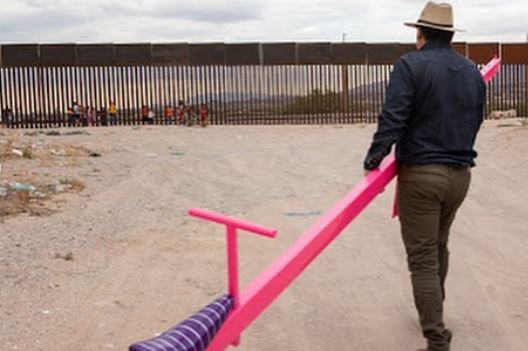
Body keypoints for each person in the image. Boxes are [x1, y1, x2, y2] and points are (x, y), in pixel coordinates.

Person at [362, 2, 486, 351]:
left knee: (422, 257)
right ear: (449, 35)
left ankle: (436, 338)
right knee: (438, 244)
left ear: (420, 33)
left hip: (422, 176)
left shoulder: (410, 65)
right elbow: (476, 118)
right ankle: (433, 311)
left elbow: (394, 116)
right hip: (460, 175)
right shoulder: (470, 71)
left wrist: (374, 157)